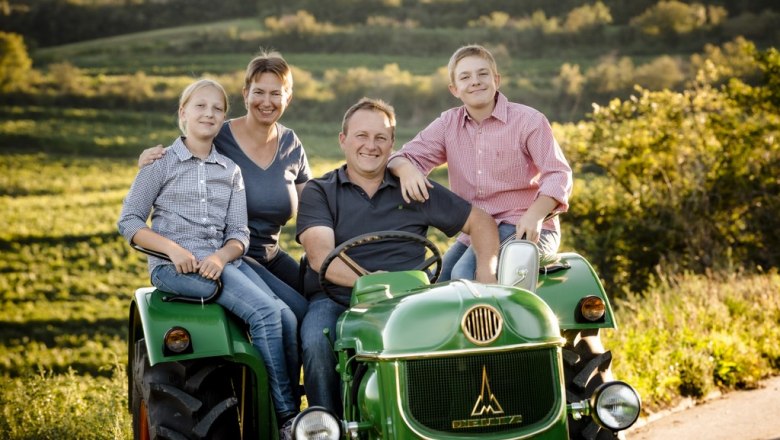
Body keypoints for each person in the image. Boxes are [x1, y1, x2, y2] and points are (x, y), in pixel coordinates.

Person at [118, 78, 299, 437]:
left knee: (288, 318)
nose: (209, 113)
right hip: (174, 267)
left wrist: (219, 257)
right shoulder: (160, 164)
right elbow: (129, 221)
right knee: (264, 313)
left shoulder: (229, 171)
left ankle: (294, 412)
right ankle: (287, 419)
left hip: (219, 263)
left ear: (223, 119)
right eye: (200, 106)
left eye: (217, 108)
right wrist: (172, 249)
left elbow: (239, 234)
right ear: (183, 112)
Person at [296, 97, 500, 415]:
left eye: (381, 137)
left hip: (408, 301)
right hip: (336, 297)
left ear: (392, 144)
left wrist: (487, 274)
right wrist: (371, 283)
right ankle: (328, 425)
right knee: (315, 341)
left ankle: (443, 419)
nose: (371, 145)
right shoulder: (320, 191)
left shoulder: (413, 187)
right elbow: (321, 257)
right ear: (343, 140)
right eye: (361, 136)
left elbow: (481, 222)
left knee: (462, 334)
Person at [138, 50, 309, 321]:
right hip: (228, 254)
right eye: (259, 92)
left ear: (288, 97)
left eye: (276, 93)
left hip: (271, 254)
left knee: (319, 293)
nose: (267, 101)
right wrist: (148, 157)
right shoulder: (220, 135)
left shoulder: (291, 143)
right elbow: (186, 147)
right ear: (245, 94)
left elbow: (311, 206)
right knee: (291, 313)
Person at [387, 44, 573, 280]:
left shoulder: (529, 121)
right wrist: (406, 169)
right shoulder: (447, 125)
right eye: (465, 77)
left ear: (496, 79)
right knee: (438, 281)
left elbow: (558, 173)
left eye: (482, 74)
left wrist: (535, 214)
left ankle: (495, 318)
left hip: (524, 226)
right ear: (454, 89)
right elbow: (403, 157)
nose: (475, 81)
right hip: (476, 232)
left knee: (465, 274)